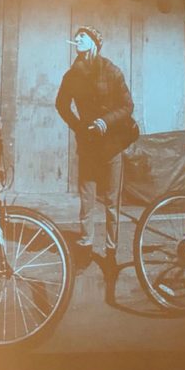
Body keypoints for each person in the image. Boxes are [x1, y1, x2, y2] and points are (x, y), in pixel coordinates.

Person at [55, 25, 138, 264]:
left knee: (112, 201)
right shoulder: (72, 75)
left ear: (94, 43)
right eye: (76, 37)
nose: (77, 39)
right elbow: (61, 104)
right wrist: (79, 126)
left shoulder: (111, 71)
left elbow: (127, 106)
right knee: (87, 198)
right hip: (89, 143)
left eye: (82, 36)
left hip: (112, 143)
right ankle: (85, 246)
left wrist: (106, 120)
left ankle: (111, 251)